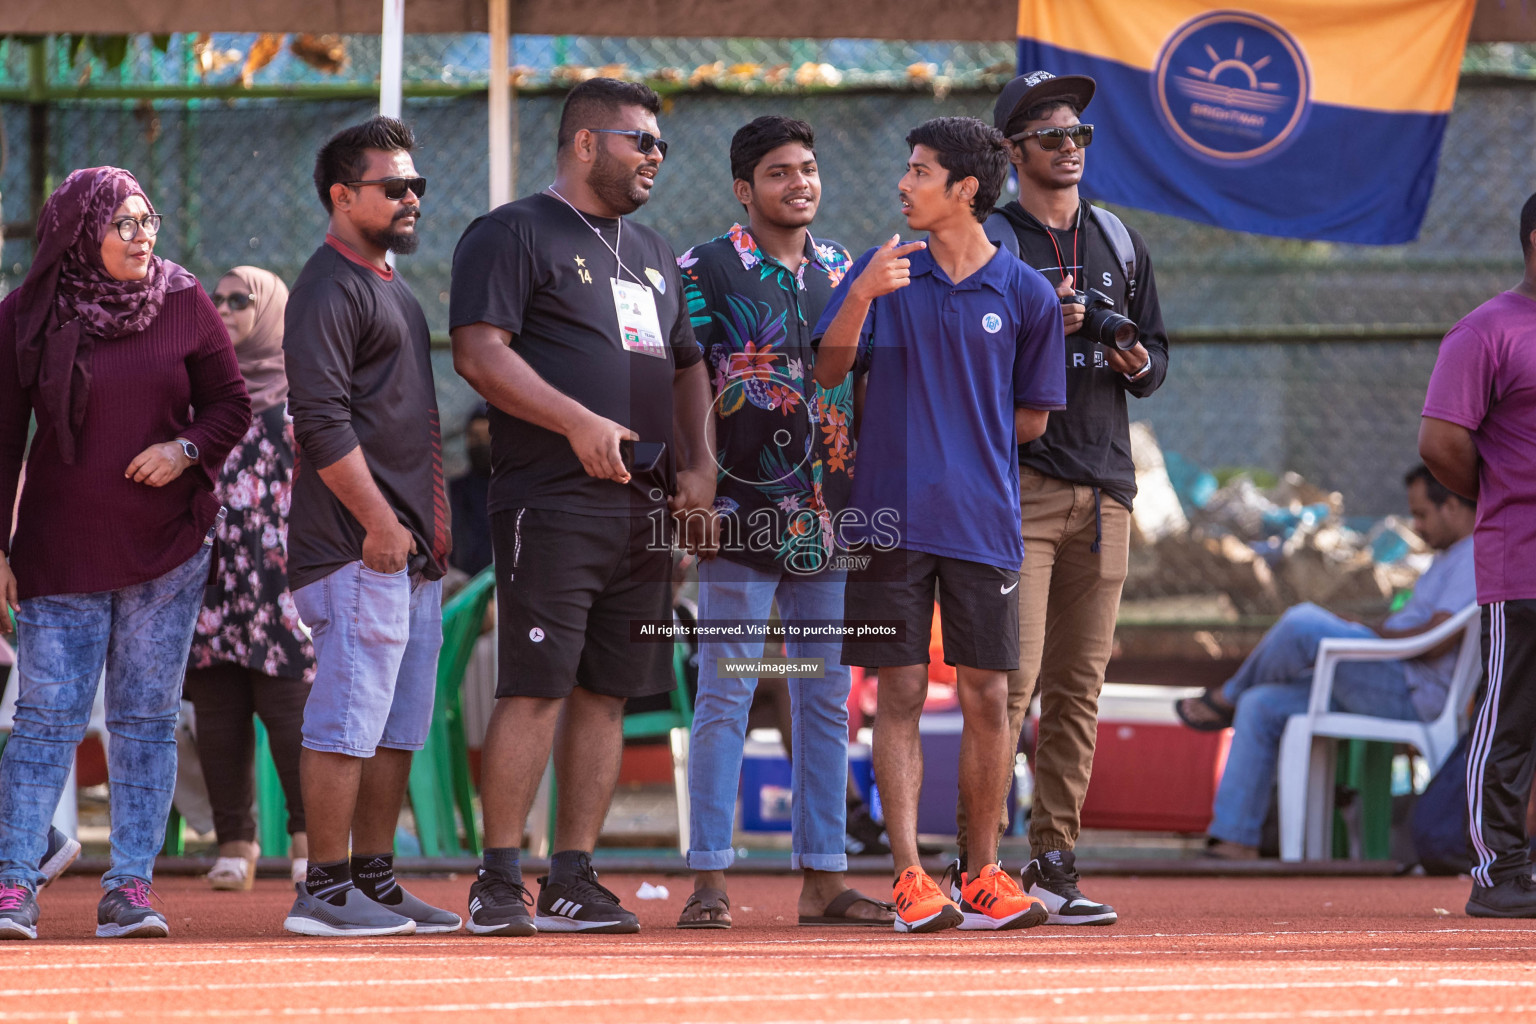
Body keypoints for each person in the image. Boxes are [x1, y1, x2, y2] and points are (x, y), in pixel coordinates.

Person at [450, 78, 713, 936]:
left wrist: (699, 464)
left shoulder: (651, 250)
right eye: (642, 141)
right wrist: (573, 422)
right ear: (587, 143)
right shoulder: (512, 232)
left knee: (607, 691)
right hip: (550, 503)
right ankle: (498, 882)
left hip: (640, 512)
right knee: (536, 687)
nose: (656, 158)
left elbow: (684, 364)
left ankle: (572, 878)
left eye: (662, 146)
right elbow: (479, 355)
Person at [813, 116, 1066, 933]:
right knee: (904, 691)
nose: (902, 183)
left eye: (919, 171)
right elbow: (826, 369)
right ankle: (910, 878)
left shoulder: (1024, 292)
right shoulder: (880, 271)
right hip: (886, 523)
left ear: (964, 189)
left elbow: (1033, 419)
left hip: (983, 521)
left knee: (992, 695)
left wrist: (965, 431)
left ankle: (985, 872)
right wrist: (859, 295)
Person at [0, 167, 250, 940]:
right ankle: (12, 884)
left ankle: (130, 888)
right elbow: (4, 441)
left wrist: (185, 449)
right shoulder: (24, 315)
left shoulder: (181, 299)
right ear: (82, 232)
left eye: (150, 221)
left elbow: (230, 404)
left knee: (144, 719)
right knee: (47, 718)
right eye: (126, 225)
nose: (145, 239)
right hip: (60, 549)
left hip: (167, 548)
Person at [952, 70, 1170, 926]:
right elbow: (957, 362)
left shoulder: (1117, 237)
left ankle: (1055, 861)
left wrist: (1132, 360)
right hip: (1024, 488)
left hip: (1108, 489)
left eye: (1079, 135)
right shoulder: (987, 241)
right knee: (1008, 687)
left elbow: (1154, 358)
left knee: (1078, 692)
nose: (1069, 148)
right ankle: (980, 865)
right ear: (1013, 151)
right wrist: (1044, 324)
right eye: (1050, 137)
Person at [672, 115, 890, 929]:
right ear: (743, 189)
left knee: (823, 694)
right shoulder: (706, 268)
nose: (799, 183)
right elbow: (678, 375)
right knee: (726, 691)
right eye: (778, 173)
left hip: (825, 519)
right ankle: (709, 882)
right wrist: (689, 486)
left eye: (808, 168)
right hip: (736, 515)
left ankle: (825, 878)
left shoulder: (844, 267)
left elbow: (859, 385)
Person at [279, 117, 457, 938]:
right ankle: (322, 888)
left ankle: (375, 881)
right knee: (348, 719)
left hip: (406, 556)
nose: (411, 196)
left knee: (396, 728)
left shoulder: (390, 284)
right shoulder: (327, 285)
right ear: (344, 196)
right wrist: (381, 524)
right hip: (358, 548)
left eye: (415, 184)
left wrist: (417, 541)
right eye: (394, 186)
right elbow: (320, 423)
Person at [1176, 465, 1476, 858]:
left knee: (1302, 622)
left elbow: (1433, 642)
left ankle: (1227, 696)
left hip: (1411, 692)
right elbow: (1409, 627)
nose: (1416, 526)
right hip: (1386, 673)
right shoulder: (1447, 557)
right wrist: (1360, 629)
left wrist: (1365, 636)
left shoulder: (1475, 553)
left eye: (1421, 514)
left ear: (1451, 506)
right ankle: (1234, 839)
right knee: (1261, 704)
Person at [1420, 191, 1536, 917]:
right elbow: (1440, 445)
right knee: (1512, 722)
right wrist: (1508, 494)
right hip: (1522, 565)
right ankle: (1499, 872)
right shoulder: (1487, 331)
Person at [184, 265, 314, 892]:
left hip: (281, 585)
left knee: (291, 714)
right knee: (217, 712)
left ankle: (308, 841)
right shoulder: (198, 397)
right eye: (218, 300)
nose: (227, 309)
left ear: (270, 314)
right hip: (211, 582)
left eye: (242, 301)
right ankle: (236, 841)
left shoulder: (304, 399)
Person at [448, 404, 494, 576]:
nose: (481, 444)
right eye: (474, 437)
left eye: (487, 437)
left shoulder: (515, 490)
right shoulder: (453, 490)